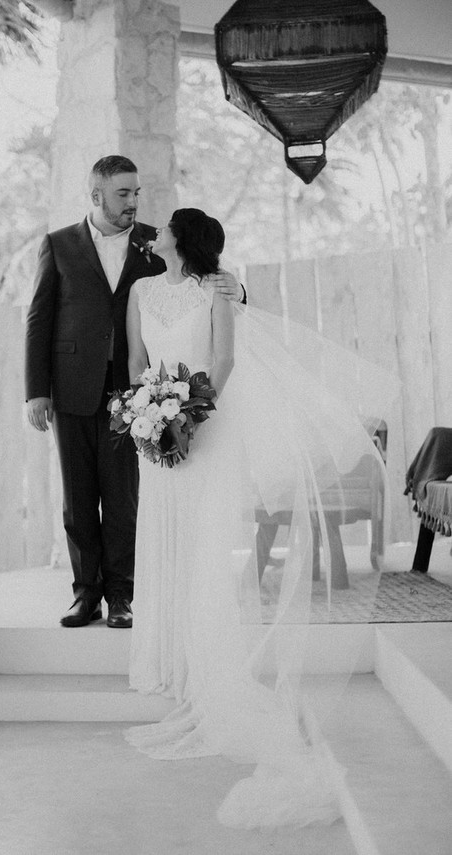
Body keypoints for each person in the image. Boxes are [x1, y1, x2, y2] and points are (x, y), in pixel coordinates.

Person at [123, 208, 394, 828]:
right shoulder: (140, 290)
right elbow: (137, 360)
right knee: (164, 543)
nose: (154, 231)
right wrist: (148, 412)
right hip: (152, 432)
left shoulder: (219, 288)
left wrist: (186, 416)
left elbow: (224, 361)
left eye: (164, 226)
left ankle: (208, 670)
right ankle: (167, 663)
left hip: (202, 429)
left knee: (205, 546)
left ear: (182, 240)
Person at [25, 156, 243, 629]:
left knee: (123, 497)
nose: (133, 202)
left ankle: (122, 595)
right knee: (78, 496)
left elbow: (203, 283)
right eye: (123, 193)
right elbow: (39, 319)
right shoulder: (58, 245)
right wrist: (35, 391)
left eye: (137, 193)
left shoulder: (157, 241)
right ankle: (85, 594)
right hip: (71, 388)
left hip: (136, 395)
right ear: (97, 195)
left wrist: (239, 290)